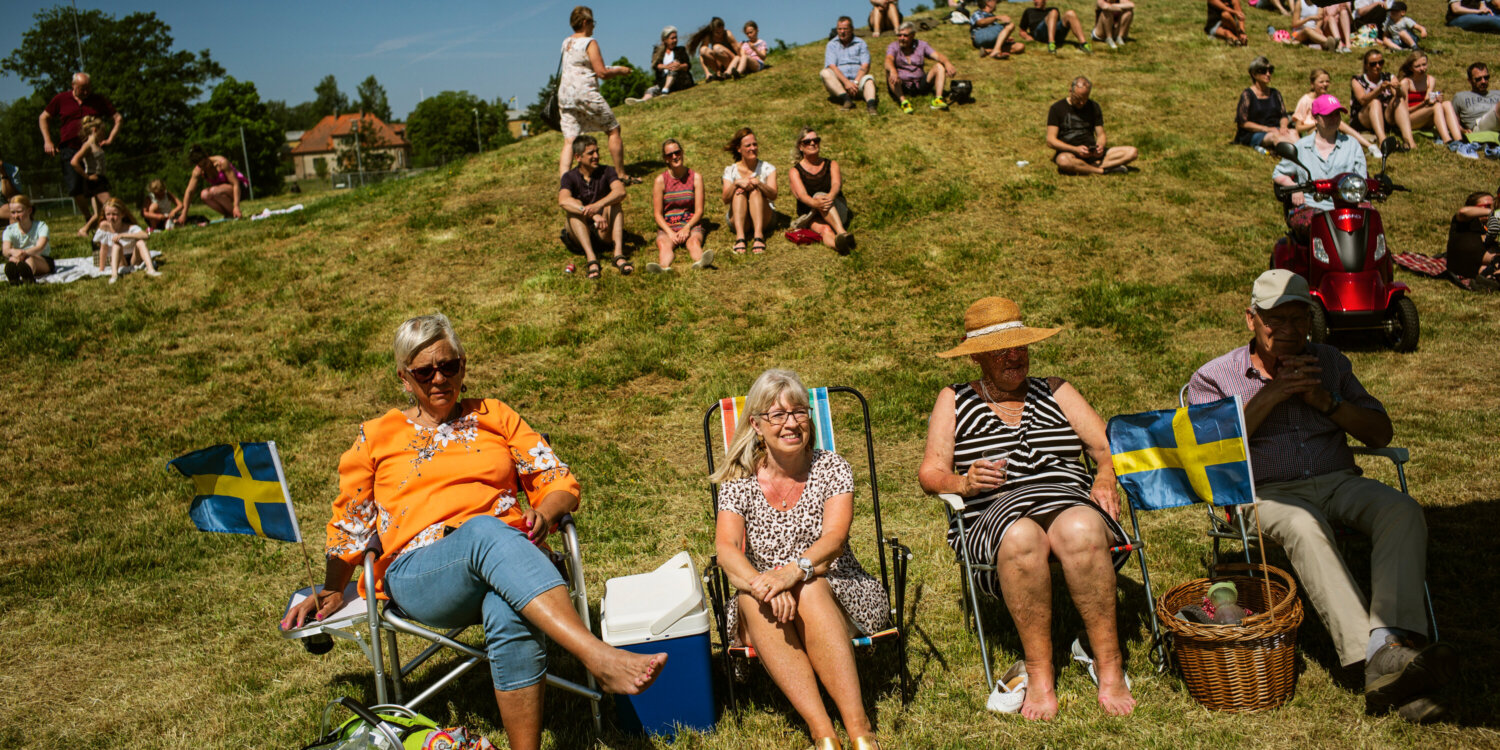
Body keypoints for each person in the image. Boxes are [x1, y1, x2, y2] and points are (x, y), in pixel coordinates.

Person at [281, 314, 667, 750]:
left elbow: (559, 480)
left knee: (506, 606)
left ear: (463, 365)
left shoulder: (495, 415)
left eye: (449, 366)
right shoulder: (376, 436)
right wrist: (334, 587)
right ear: (404, 378)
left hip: (511, 560)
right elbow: (350, 524)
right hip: (422, 574)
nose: (439, 378)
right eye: (424, 371)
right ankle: (596, 656)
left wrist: (543, 510)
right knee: (484, 530)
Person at [1187, 270, 1456, 723]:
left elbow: (1379, 432)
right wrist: (1270, 396)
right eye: (1277, 320)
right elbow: (1204, 455)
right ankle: (1379, 655)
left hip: (1337, 480)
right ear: (1251, 319)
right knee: (1302, 524)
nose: (1290, 331)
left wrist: (1326, 401)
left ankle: (1391, 644)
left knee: (1402, 510)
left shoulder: (1330, 361)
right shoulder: (1215, 377)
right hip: (1261, 493)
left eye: (1300, 319)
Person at [918, 297, 1135, 721]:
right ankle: (1039, 672)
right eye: (1001, 349)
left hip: (1065, 496)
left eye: (1019, 346)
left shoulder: (1056, 389)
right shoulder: (955, 399)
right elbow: (930, 472)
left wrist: (1105, 476)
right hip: (996, 511)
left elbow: (1106, 447)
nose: (1014, 355)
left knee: (1082, 530)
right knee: (1021, 537)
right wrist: (962, 482)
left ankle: (1109, 666)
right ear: (977, 355)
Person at [712, 368, 888, 750]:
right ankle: (823, 732)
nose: (791, 423)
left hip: (839, 588)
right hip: (768, 598)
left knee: (809, 587)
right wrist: (765, 585)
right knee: (749, 598)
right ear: (757, 425)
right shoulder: (739, 480)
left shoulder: (831, 467)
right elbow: (726, 549)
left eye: (799, 413)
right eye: (778, 415)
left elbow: (834, 540)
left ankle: (859, 730)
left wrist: (792, 573)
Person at [557, 7, 637, 184]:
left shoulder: (566, 42)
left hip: (565, 96)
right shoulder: (589, 42)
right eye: (593, 22)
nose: (594, 26)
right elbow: (601, 72)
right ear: (585, 22)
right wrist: (620, 71)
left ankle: (565, 183)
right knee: (613, 129)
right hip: (585, 93)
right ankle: (621, 174)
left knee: (570, 140)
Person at [1274, 94, 1368, 227]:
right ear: (1315, 118)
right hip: (1311, 206)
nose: (1335, 118)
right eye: (1329, 115)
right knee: (1319, 222)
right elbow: (1278, 173)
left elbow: (1363, 179)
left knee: (1372, 219)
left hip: (1347, 207)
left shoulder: (1352, 145)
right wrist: (1294, 188)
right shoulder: (1301, 146)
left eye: (1337, 114)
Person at [39, 72, 121, 218]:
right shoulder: (61, 99)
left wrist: (110, 138)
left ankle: (101, 218)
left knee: (97, 185)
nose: (86, 92)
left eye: (88, 88)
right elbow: (43, 117)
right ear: (73, 86)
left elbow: (118, 118)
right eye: (82, 88)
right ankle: (88, 217)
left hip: (91, 149)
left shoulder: (98, 100)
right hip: (69, 148)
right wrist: (48, 141)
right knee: (75, 187)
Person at [559, 134, 630, 279]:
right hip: (579, 234)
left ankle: (618, 255)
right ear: (578, 157)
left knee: (615, 202)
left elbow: (620, 191)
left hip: (604, 230)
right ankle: (592, 260)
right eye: (591, 153)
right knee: (573, 209)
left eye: (597, 151)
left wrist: (599, 205)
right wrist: (591, 213)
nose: (596, 156)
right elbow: (563, 200)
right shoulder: (569, 177)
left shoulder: (607, 171)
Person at [1046, 77, 1138, 175]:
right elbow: (1050, 140)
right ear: (1070, 91)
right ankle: (1102, 170)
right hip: (1070, 152)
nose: (1081, 103)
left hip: (1091, 152)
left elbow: (1101, 134)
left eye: (1085, 99)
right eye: (1078, 99)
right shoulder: (1057, 108)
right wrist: (1075, 150)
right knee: (1063, 161)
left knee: (1132, 152)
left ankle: (1085, 167)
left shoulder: (1094, 106)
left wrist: (1100, 147)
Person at [648, 138, 712, 273]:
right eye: (670, 155)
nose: (674, 156)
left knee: (693, 242)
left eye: (677, 152)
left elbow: (699, 210)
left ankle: (701, 261)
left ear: (682, 153)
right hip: (668, 224)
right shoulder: (660, 181)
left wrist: (687, 228)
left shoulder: (696, 177)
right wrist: (670, 233)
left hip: (690, 222)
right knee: (664, 244)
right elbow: (657, 214)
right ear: (665, 159)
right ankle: (664, 267)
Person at [787, 127, 854, 254]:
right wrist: (815, 204)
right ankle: (840, 245)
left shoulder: (832, 164)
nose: (812, 143)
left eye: (816, 140)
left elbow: (836, 184)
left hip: (835, 208)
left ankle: (841, 232)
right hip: (811, 213)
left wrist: (830, 196)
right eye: (807, 142)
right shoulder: (795, 171)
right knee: (825, 229)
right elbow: (801, 195)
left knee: (820, 195)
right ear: (800, 147)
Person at [1293, 69, 1382, 158]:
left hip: (1327, 127)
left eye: (1327, 81)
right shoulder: (1305, 100)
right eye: (1321, 82)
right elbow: (1298, 127)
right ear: (1312, 84)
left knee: (1340, 124)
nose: (1325, 84)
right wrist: (1315, 124)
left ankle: (1369, 146)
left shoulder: (1327, 98)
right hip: (1311, 132)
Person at [721, 127, 777, 255]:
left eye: (755, 144)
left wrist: (759, 184)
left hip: (765, 218)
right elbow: (725, 199)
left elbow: (773, 195)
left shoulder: (768, 168)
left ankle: (758, 236)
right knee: (737, 192)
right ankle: (740, 238)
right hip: (740, 219)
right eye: (748, 145)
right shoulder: (730, 170)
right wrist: (736, 184)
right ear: (739, 149)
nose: (753, 148)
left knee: (755, 191)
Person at [1397, 53, 1466, 154]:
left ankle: (1459, 141)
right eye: (1417, 66)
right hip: (1409, 119)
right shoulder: (1406, 83)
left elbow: (1428, 101)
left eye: (1424, 64)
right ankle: (1448, 141)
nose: (1422, 69)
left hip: (1425, 117)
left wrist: (1436, 99)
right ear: (1411, 68)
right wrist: (1424, 103)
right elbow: (1405, 111)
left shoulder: (1430, 80)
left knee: (1446, 103)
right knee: (1437, 106)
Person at [1350, 49, 1415, 152]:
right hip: (1363, 117)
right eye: (1373, 64)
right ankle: (1383, 141)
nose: (1378, 66)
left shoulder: (1389, 77)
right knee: (1375, 102)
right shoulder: (1357, 80)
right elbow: (1362, 100)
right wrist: (1379, 89)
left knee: (1399, 100)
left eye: (1381, 63)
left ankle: (1410, 141)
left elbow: (1399, 96)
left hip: (1385, 116)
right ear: (1366, 65)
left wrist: (1398, 88)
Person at [884, 22, 958, 113]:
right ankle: (903, 102)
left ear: (912, 35)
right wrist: (893, 70)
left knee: (939, 66)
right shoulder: (893, 46)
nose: (901, 38)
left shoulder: (922, 45)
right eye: (899, 35)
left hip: (920, 83)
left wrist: (947, 63)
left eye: (905, 35)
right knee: (889, 71)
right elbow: (888, 59)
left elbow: (937, 55)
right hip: (901, 84)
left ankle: (938, 98)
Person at [94, 197, 160, 284]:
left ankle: (151, 270)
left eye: (114, 214)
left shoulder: (129, 227)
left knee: (140, 242)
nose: (111, 217)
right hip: (119, 259)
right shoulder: (104, 226)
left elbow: (145, 235)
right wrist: (101, 269)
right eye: (108, 214)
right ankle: (114, 275)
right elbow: (104, 247)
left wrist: (124, 235)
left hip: (134, 258)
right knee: (116, 245)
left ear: (122, 214)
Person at [1236, 57, 1297, 150]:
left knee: (1293, 133)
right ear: (1254, 74)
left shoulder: (1275, 93)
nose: (1268, 74)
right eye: (1264, 71)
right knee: (1274, 136)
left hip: (1275, 128)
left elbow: (1283, 115)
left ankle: (1301, 153)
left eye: (1270, 70)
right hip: (1255, 132)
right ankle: (1292, 155)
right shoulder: (1247, 95)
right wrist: (1266, 129)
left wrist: (1284, 126)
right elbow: (1243, 123)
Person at [822, 17, 880, 115]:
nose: (842, 32)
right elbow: (832, 66)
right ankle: (847, 100)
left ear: (852, 29)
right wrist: (846, 83)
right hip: (840, 84)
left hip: (858, 81)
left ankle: (871, 106)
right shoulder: (831, 45)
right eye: (839, 29)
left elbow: (865, 65)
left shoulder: (861, 43)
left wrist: (856, 82)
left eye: (845, 29)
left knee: (869, 80)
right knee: (825, 72)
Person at [175, 145, 248, 221]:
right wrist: (184, 214)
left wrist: (236, 206)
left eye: (205, 163)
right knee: (204, 195)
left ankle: (235, 212)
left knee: (213, 191)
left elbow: (235, 184)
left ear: (207, 156)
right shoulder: (198, 171)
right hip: (221, 192)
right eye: (201, 166)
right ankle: (230, 214)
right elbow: (189, 191)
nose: (205, 167)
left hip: (241, 188)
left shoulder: (222, 163)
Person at [68, 115, 113, 240]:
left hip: (101, 179)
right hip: (95, 181)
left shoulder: (97, 145)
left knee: (98, 213)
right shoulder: (87, 145)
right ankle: (118, 228)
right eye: (102, 131)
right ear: (94, 130)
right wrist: (87, 176)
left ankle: (84, 230)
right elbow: (74, 161)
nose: (103, 134)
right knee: (111, 205)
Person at [1445, 192, 1498, 286]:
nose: (1491, 209)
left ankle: (1491, 279)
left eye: (1493, 206)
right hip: (1460, 259)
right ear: (1474, 207)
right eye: (1487, 206)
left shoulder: (1489, 226)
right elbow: (1463, 212)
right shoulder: (1466, 220)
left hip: (1472, 268)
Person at [2, 195, 53, 285]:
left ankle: (28, 276)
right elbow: (5, 250)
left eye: (19, 212)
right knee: (12, 259)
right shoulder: (9, 230)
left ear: (29, 210)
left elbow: (40, 247)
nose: (16, 216)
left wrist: (23, 253)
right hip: (19, 258)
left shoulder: (41, 226)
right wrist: (13, 251)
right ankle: (14, 277)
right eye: (13, 212)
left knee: (29, 258)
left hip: (42, 260)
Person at [1020, 0, 1093, 54]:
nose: (1036, 1)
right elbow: (1022, 31)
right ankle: (1051, 44)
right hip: (1039, 33)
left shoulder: (1052, 9)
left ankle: (1084, 44)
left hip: (1055, 32)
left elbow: (1057, 24)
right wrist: (1027, 37)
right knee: (1054, 12)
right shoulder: (1029, 11)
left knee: (1070, 13)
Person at [1454, 62, 1500, 139]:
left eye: (1486, 77)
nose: (1483, 81)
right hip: (1479, 127)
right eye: (1478, 79)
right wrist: (1462, 130)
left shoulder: (1497, 93)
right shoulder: (1460, 97)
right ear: (1469, 80)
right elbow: (1452, 120)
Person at [688, 17, 741, 82]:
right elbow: (702, 56)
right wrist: (707, 72)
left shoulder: (728, 34)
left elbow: (738, 51)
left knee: (716, 48)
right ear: (712, 31)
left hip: (732, 61)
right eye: (717, 32)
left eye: (721, 31)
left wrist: (741, 66)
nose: (720, 34)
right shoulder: (708, 37)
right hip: (719, 64)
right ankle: (719, 73)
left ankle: (729, 71)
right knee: (703, 50)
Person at [648, 26, 695, 98]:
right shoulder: (658, 52)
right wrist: (665, 66)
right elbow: (655, 65)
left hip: (679, 81)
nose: (675, 40)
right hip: (662, 81)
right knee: (651, 90)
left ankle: (666, 89)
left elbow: (687, 65)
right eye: (672, 38)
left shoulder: (681, 50)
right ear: (665, 40)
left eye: (676, 38)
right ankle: (643, 100)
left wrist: (679, 66)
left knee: (674, 65)